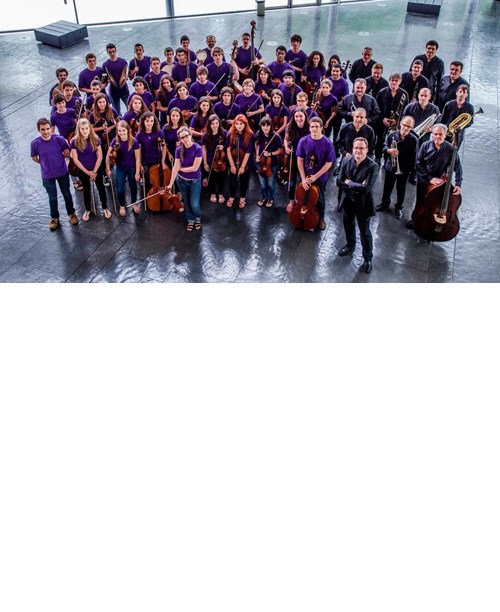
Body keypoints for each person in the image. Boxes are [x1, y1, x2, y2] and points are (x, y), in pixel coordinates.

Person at [405, 123, 462, 230]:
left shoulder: (450, 149)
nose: (437, 136)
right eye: (435, 134)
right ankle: (415, 219)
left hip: (440, 183)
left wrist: (458, 183)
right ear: (432, 134)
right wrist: (430, 178)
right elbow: (418, 164)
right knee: (420, 202)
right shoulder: (425, 145)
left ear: (445, 135)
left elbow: (457, 166)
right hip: (424, 180)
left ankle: (430, 222)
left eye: (440, 134)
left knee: (435, 204)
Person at [336, 137, 378, 273]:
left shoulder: (373, 166)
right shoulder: (346, 160)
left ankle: (368, 258)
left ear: (367, 150)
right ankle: (350, 246)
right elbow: (339, 181)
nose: (358, 151)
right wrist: (357, 185)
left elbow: (366, 188)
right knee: (348, 225)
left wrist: (349, 182)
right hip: (347, 201)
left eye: (361, 148)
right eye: (356, 148)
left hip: (363, 204)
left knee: (365, 232)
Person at [30, 117, 79, 230]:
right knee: (52, 197)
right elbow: (34, 157)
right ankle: (54, 218)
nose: (46, 132)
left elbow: (66, 152)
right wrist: (44, 163)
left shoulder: (59, 139)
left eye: (47, 128)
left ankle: (71, 214)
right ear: (39, 130)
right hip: (47, 175)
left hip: (62, 172)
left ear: (50, 128)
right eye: (43, 129)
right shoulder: (35, 144)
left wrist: (59, 161)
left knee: (67, 194)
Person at [296, 116, 335, 230]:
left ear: (322, 128)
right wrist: (303, 179)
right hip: (305, 175)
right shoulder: (303, 141)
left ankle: (321, 218)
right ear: (309, 128)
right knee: (302, 196)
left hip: (320, 178)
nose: (314, 129)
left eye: (317, 127)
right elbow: (300, 160)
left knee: (320, 199)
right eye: (312, 127)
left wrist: (315, 177)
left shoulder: (328, 143)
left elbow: (328, 163)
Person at [376, 116, 417, 219]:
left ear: (412, 127)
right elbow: (384, 146)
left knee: (401, 190)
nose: (405, 128)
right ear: (400, 124)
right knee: (387, 187)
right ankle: (384, 203)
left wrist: (411, 171)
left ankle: (398, 207)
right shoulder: (392, 135)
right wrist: (388, 150)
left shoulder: (414, 140)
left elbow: (414, 157)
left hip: (404, 169)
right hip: (391, 166)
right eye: (404, 125)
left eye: (409, 126)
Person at [70, 118, 111, 221]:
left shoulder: (95, 138)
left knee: (101, 187)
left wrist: (94, 171)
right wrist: (88, 172)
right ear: (79, 129)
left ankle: (105, 207)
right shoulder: (74, 141)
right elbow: (75, 159)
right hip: (83, 170)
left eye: (87, 128)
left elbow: (100, 156)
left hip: (96, 168)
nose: (85, 131)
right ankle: (87, 209)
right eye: (82, 129)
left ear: (90, 128)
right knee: (86, 190)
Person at [167, 126, 203, 231]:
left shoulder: (198, 148)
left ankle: (198, 217)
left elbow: (195, 168)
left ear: (190, 135)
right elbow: (175, 167)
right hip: (181, 181)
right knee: (186, 202)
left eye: (186, 136)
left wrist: (181, 169)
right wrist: (170, 184)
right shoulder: (178, 150)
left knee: (194, 203)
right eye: (182, 137)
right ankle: (191, 219)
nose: (184, 139)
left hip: (194, 181)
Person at [106, 120, 141, 216]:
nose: (121, 133)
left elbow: (138, 158)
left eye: (123, 130)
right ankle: (122, 205)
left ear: (128, 130)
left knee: (133, 186)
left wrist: (137, 172)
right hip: (120, 168)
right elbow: (108, 155)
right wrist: (108, 169)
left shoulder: (134, 141)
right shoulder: (115, 141)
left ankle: (134, 202)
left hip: (131, 167)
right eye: (119, 131)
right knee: (120, 189)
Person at [226, 114, 254, 208]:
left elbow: (248, 151)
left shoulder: (250, 134)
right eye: (237, 124)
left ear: (245, 124)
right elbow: (228, 150)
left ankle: (242, 197)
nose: (239, 126)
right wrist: (232, 165)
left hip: (245, 162)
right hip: (233, 160)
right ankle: (232, 196)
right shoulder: (230, 133)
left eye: (241, 124)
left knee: (244, 181)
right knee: (232, 182)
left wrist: (242, 167)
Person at [254, 115, 283, 208]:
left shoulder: (276, 137)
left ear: (271, 126)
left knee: (270, 183)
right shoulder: (259, 134)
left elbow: (280, 150)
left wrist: (270, 154)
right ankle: (263, 197)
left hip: (272, 164)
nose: (265, 128)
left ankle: (270, 198)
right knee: (262, 183)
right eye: (263, 125)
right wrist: (257, 155)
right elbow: (257, 144)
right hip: (260, 163)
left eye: (267, 125)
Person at [283, 109, 310, 210]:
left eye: (301, 116)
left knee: (302, 180)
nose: (298, 119)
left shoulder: (309, 128)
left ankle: (301, 201)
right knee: (292, 180)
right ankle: (291, 200)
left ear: (305, 116)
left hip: (305, 158)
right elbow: (286, 139)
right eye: (296, 116)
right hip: (293, 157)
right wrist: (286, 147)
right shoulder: (290, 127)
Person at [136, 111, 165, 194]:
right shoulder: (139, 135)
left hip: (157, 160)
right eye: (147, 121)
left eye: (152, 121)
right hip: (146, 162)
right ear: (143, 122)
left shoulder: (159, 132)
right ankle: (149, 196)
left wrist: (163, 161)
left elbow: (164, 147)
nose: (149, 123)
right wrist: (140, 164)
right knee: (147, 181)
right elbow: (138, 151)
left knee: (160, 179)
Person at [202, 113, 228, 204]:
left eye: (216, 123)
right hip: (210, 159)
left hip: (221, 159)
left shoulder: (224, 133)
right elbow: (204, 149)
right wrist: (205, 163)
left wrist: (223, 147)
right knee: (211, 177)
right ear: (209, 124)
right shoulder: (205, 135)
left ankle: (220, 193)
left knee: (221, 177)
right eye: (212, 124)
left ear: (219, 123)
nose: (215, 125)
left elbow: (228, 145)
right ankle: (212, 193)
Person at [441, 84, 475, 149]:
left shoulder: (470, 108)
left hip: (458, 135)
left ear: (467, 95)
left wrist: (461, 125)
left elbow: (470, 122)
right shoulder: (449, 104)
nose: (461, 94)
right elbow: (443, 119)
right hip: (446, 133)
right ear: (456, 93)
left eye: (464, 93)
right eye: (460, 92)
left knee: (454, 151)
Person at [102, 43, 129, 114]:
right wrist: (107, 80)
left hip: (124, 89)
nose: (112, 53)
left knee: (130, 107)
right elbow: (104, 79)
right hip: (113, 91)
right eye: (110, 52)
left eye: (113, 51)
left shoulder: (123, 61)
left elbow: (127, 74)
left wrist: (125, 77)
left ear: (116, 51)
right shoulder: (105, 65)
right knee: (117, 112)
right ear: (107, 52)